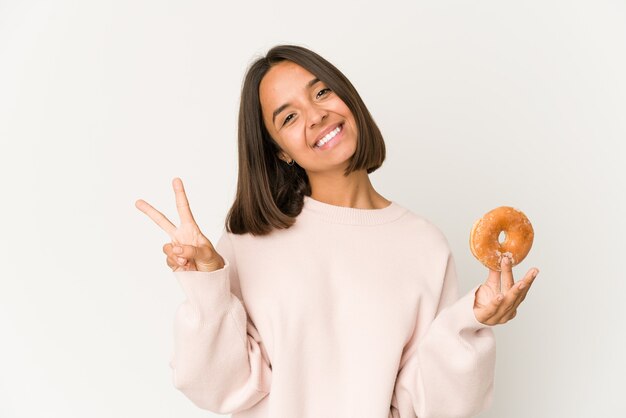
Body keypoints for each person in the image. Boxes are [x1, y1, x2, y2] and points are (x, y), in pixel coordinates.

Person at [135, 45, 539, 418]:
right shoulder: (248, 243)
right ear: (280, 150)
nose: (316, 115)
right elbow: (216, 386)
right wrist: (208, 284)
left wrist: (470, 321)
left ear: (347, 97)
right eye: (289, 117)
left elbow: (429, 407)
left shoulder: (424, 244)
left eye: (322, 93)